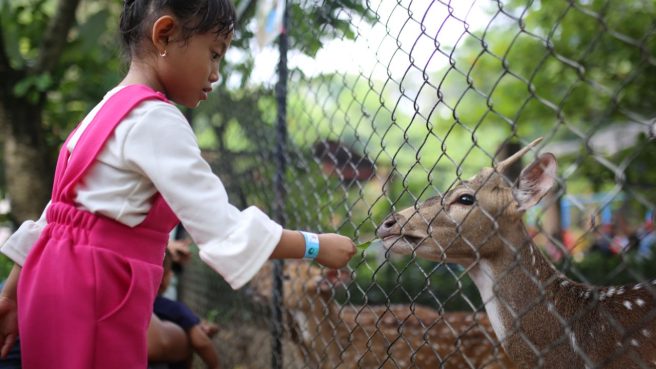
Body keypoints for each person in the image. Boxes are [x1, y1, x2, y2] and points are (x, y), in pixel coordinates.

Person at [0, 1, 356, 368]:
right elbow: (222, 228)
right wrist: (314, 245)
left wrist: (10, 295)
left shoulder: (103, 111)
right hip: (96, 290)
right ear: (165, 35)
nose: (216, 73)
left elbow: (54, 218)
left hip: (49, 283)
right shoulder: (157, 119)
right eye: (214, 54)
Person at [153, 251, 220, 369]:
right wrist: (215, 366)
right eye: (170, 270)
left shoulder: (139, 306)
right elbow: (201, 341)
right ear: (163, 277)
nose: (172, 274)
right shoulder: (175, 308)